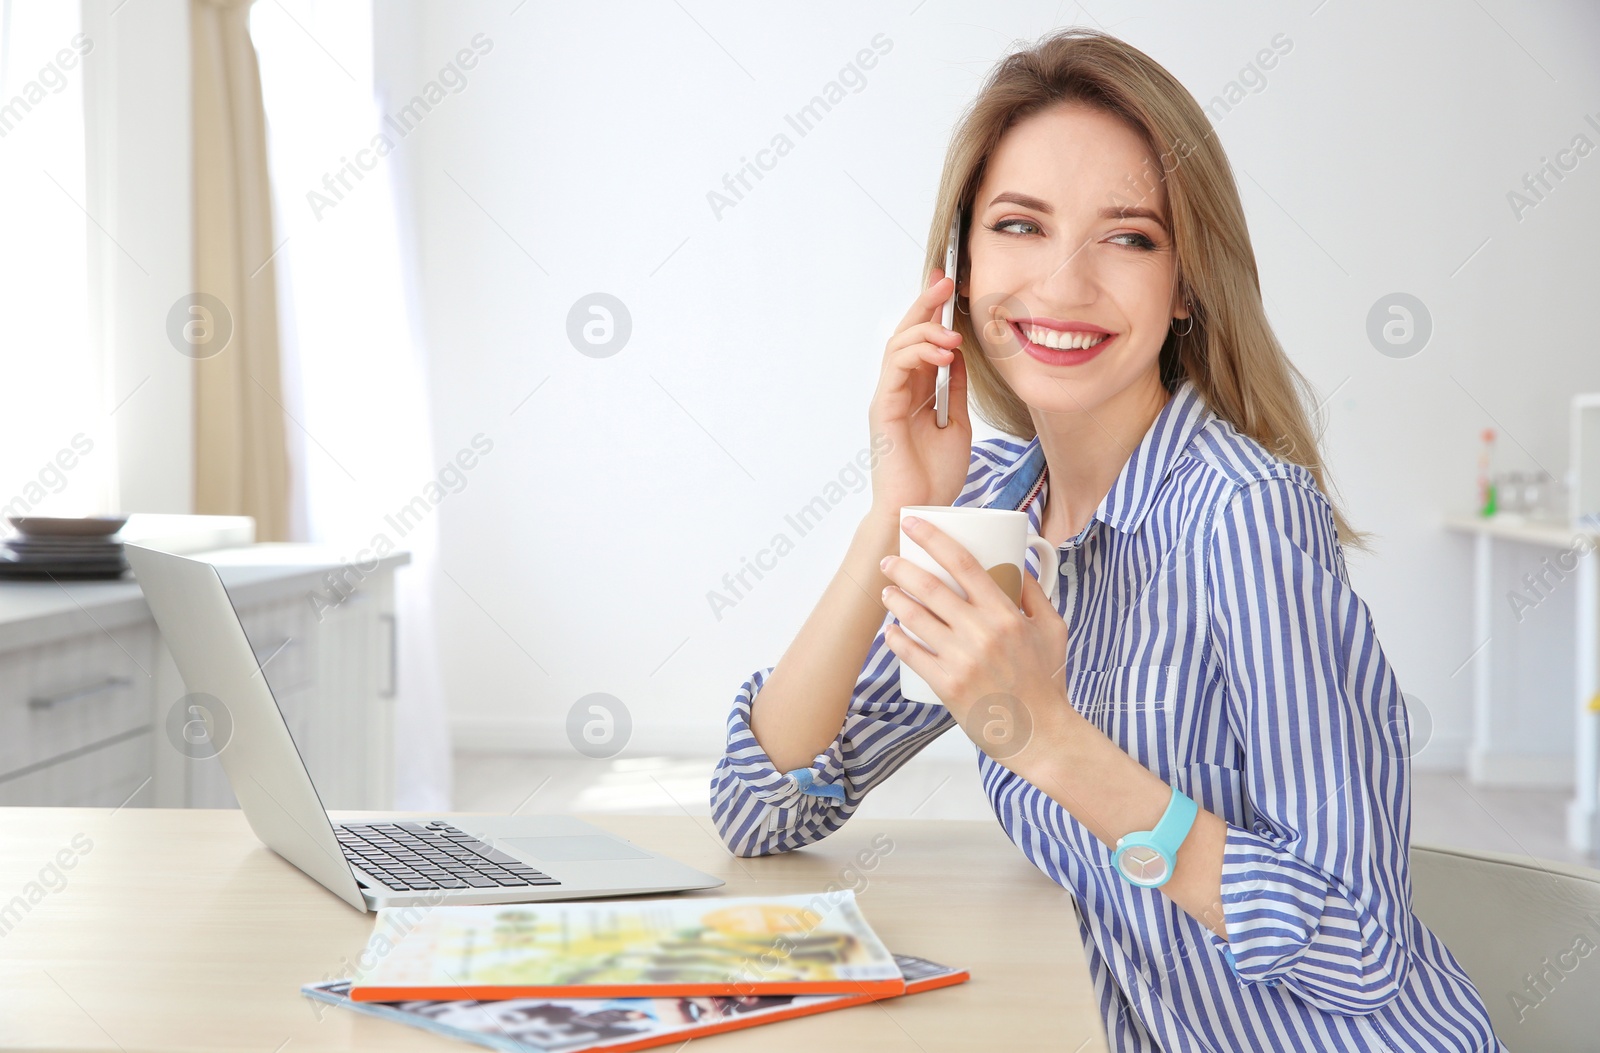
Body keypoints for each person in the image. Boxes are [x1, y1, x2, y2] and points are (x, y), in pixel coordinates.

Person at [708, 26, 1508, 1053]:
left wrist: (1044, 738)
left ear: (1185, 284)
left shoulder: (1242, 515)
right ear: (958, 264)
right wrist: (888, 517)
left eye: (1127, 237)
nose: (1063, 284)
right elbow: (760, 810)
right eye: (1019, 226)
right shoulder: (991, 508)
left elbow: (1359, 944)